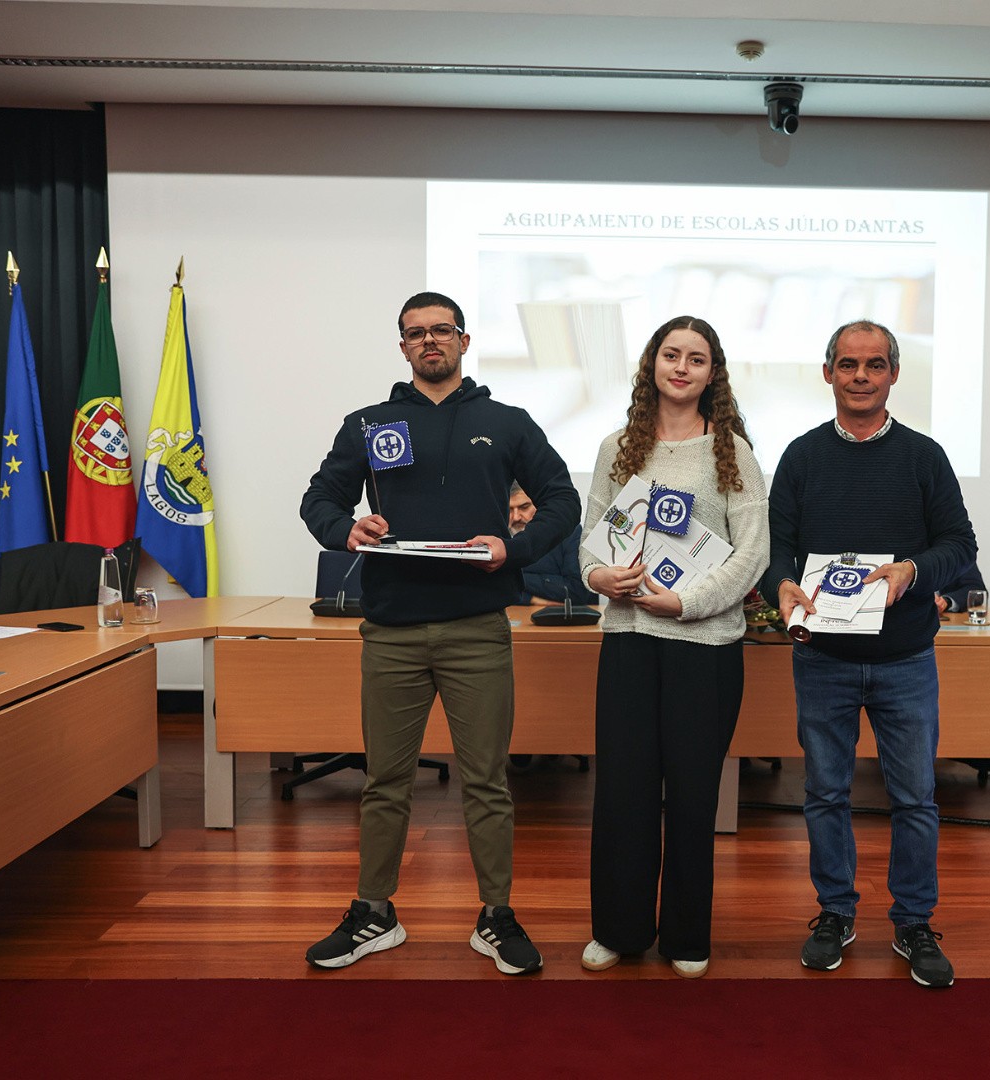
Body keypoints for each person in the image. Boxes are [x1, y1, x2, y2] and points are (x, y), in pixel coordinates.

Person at [299, 290, 579, 973]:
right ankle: (374, 913)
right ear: (402, 347)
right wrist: (345, 528)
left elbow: (563, 500)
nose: (430, 340)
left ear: (463, 340)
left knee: (487, 782)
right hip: (391, 631)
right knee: (385, 781)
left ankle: (495, 916)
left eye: (442, 330)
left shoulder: (506, 423)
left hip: (477, 629)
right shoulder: (370, 424)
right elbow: (319, 498)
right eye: (416, 332)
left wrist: (514, 548)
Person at [760, 318, 977, 989]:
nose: (861, 376)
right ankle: (835, 913)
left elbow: (960, 546)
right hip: (821, 659)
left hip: (905, 659)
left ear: (894, 374)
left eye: (874, 364)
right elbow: (776, 549)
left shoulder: (924, 457)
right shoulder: (801, 457)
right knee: (825, 793)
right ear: (828, 373)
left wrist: (913, 570)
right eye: (848, 364)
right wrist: (781, 584)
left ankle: (913, 922)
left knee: (915, 798)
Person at [577, 315, 769, 979]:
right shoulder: (617, 447)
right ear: (651, 364)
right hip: (629, 641)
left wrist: (685, 603)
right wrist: (600, 578)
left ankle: (687, 934)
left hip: (704, 648)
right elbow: (590, 545)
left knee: (692, 796)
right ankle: (618, 929)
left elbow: (753, 553)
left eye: (696, 358)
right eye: (670, 354)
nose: (681, 367)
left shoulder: (732, 452)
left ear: (713, 373)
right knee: (623, 793)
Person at [508, 481, 597, 607]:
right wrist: (532, 599)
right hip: (517, 617)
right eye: (509, 509)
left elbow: (576, 591)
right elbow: (492, 591)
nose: (516, 517)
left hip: (566, 618)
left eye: (524, 507)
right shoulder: (500, 539)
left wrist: (510, 578)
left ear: (540, 504)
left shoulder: (569, 533)